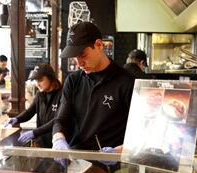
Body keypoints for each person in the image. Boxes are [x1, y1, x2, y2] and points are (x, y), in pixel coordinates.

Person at [52, 22, 135, 153]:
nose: (79, 64)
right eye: (75, 57)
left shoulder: (127, 82)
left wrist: (120, 151)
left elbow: (140, 129)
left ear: (99, 45)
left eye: (83, 55)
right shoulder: (73, 80)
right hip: (76, 157)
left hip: (109, 162)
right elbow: (62, 119)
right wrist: (58, 139)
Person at [4, 64, 62, 148]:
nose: (37, 84)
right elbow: (30, 112)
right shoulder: (40, 95)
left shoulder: (63, 95)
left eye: (41, 80)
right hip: (42, 142)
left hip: (58, 141)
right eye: (36, 80)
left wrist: (35, 132)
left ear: (51, 78)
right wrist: (17, 119)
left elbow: (57, 120)